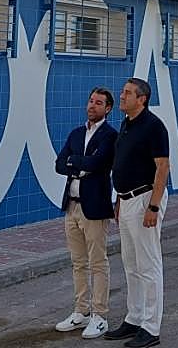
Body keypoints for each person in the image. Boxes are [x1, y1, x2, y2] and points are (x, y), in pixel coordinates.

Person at [104, 78, 169, 348]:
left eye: (127, 93)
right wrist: (119, 200)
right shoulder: (127, 125)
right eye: (122, 92)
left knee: (148, 265)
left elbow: (163, 168)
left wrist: (153, 206)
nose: (121, 96)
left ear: (142, 99)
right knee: (131, 263)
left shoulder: (154, 127)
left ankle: (151, 327)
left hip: (145, 200)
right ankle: (135, 318)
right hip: (127, 200)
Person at [54, 87, 118, 339]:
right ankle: (80, 311)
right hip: (72, 205)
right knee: (78, 262)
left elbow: (97, 163)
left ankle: (99, 315)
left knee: (97, 262)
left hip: (95, 208)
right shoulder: (76, 133)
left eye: (99, 103)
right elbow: (60, 164)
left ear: (108, 108)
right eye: (91, 101)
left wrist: (75, 161)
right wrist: (79, 162)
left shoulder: (109, 136)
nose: (92, 106)